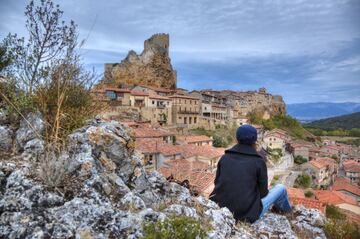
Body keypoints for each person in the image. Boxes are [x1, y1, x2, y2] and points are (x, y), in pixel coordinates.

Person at [209, 124, 291, 223]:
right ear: (255, 141)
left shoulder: (224, 158)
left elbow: (217, 182)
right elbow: (263, 193)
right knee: (280, 188)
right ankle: (288, 213)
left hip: (221, 210)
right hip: (246, 215)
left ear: (237, 138)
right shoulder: (258, 162)